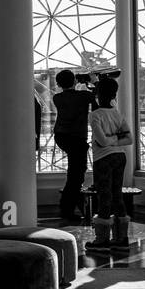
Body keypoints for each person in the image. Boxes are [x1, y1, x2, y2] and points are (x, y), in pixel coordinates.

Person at [85, 77, 132, 254]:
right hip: (120, 157)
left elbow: (102, 142)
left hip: (103, 159)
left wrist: (108, 140)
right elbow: (129, 138)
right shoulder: (117, 114)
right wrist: (116, 139)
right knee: (117, 195)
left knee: (104, 196)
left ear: (97, 94)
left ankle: (102, 240)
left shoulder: (94, 115)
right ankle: (121, 238)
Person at [52, 70, 97, 222]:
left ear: (58, 84)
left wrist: (78, 84)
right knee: (76, 175)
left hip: (61, 136)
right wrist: (91, 82)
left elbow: (73, 96)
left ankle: (70, 206)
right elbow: (98, 95)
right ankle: (67, 208)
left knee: (75, 173)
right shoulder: (84, 96)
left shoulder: (57, 98)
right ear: (74, 81)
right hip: (77, 138)